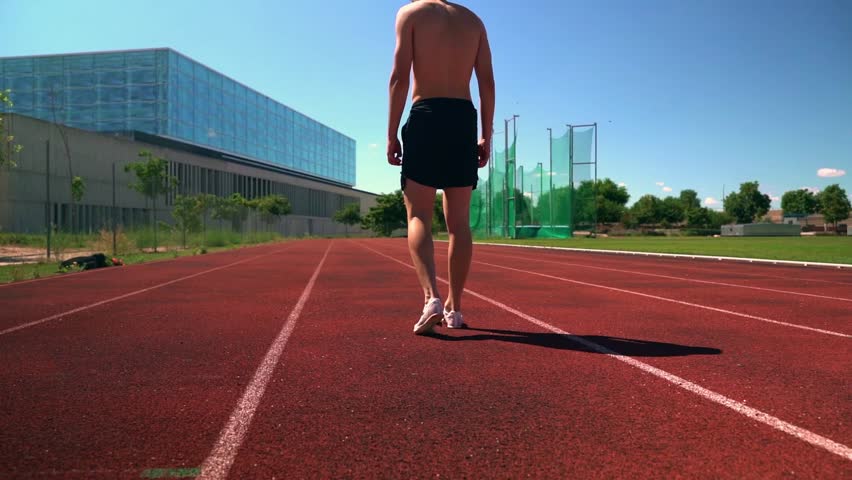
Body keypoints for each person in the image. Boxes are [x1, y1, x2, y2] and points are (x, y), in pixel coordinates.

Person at [386, 0, 495, 335]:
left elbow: (400, 78)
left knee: (419, 214)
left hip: (427, 114)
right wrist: (485, 136)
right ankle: (455, 307)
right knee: (459, 222)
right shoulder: (473, 21)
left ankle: (431, 297)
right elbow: (487, 84)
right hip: (463, 119)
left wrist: (392, 135)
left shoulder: (411, 13)